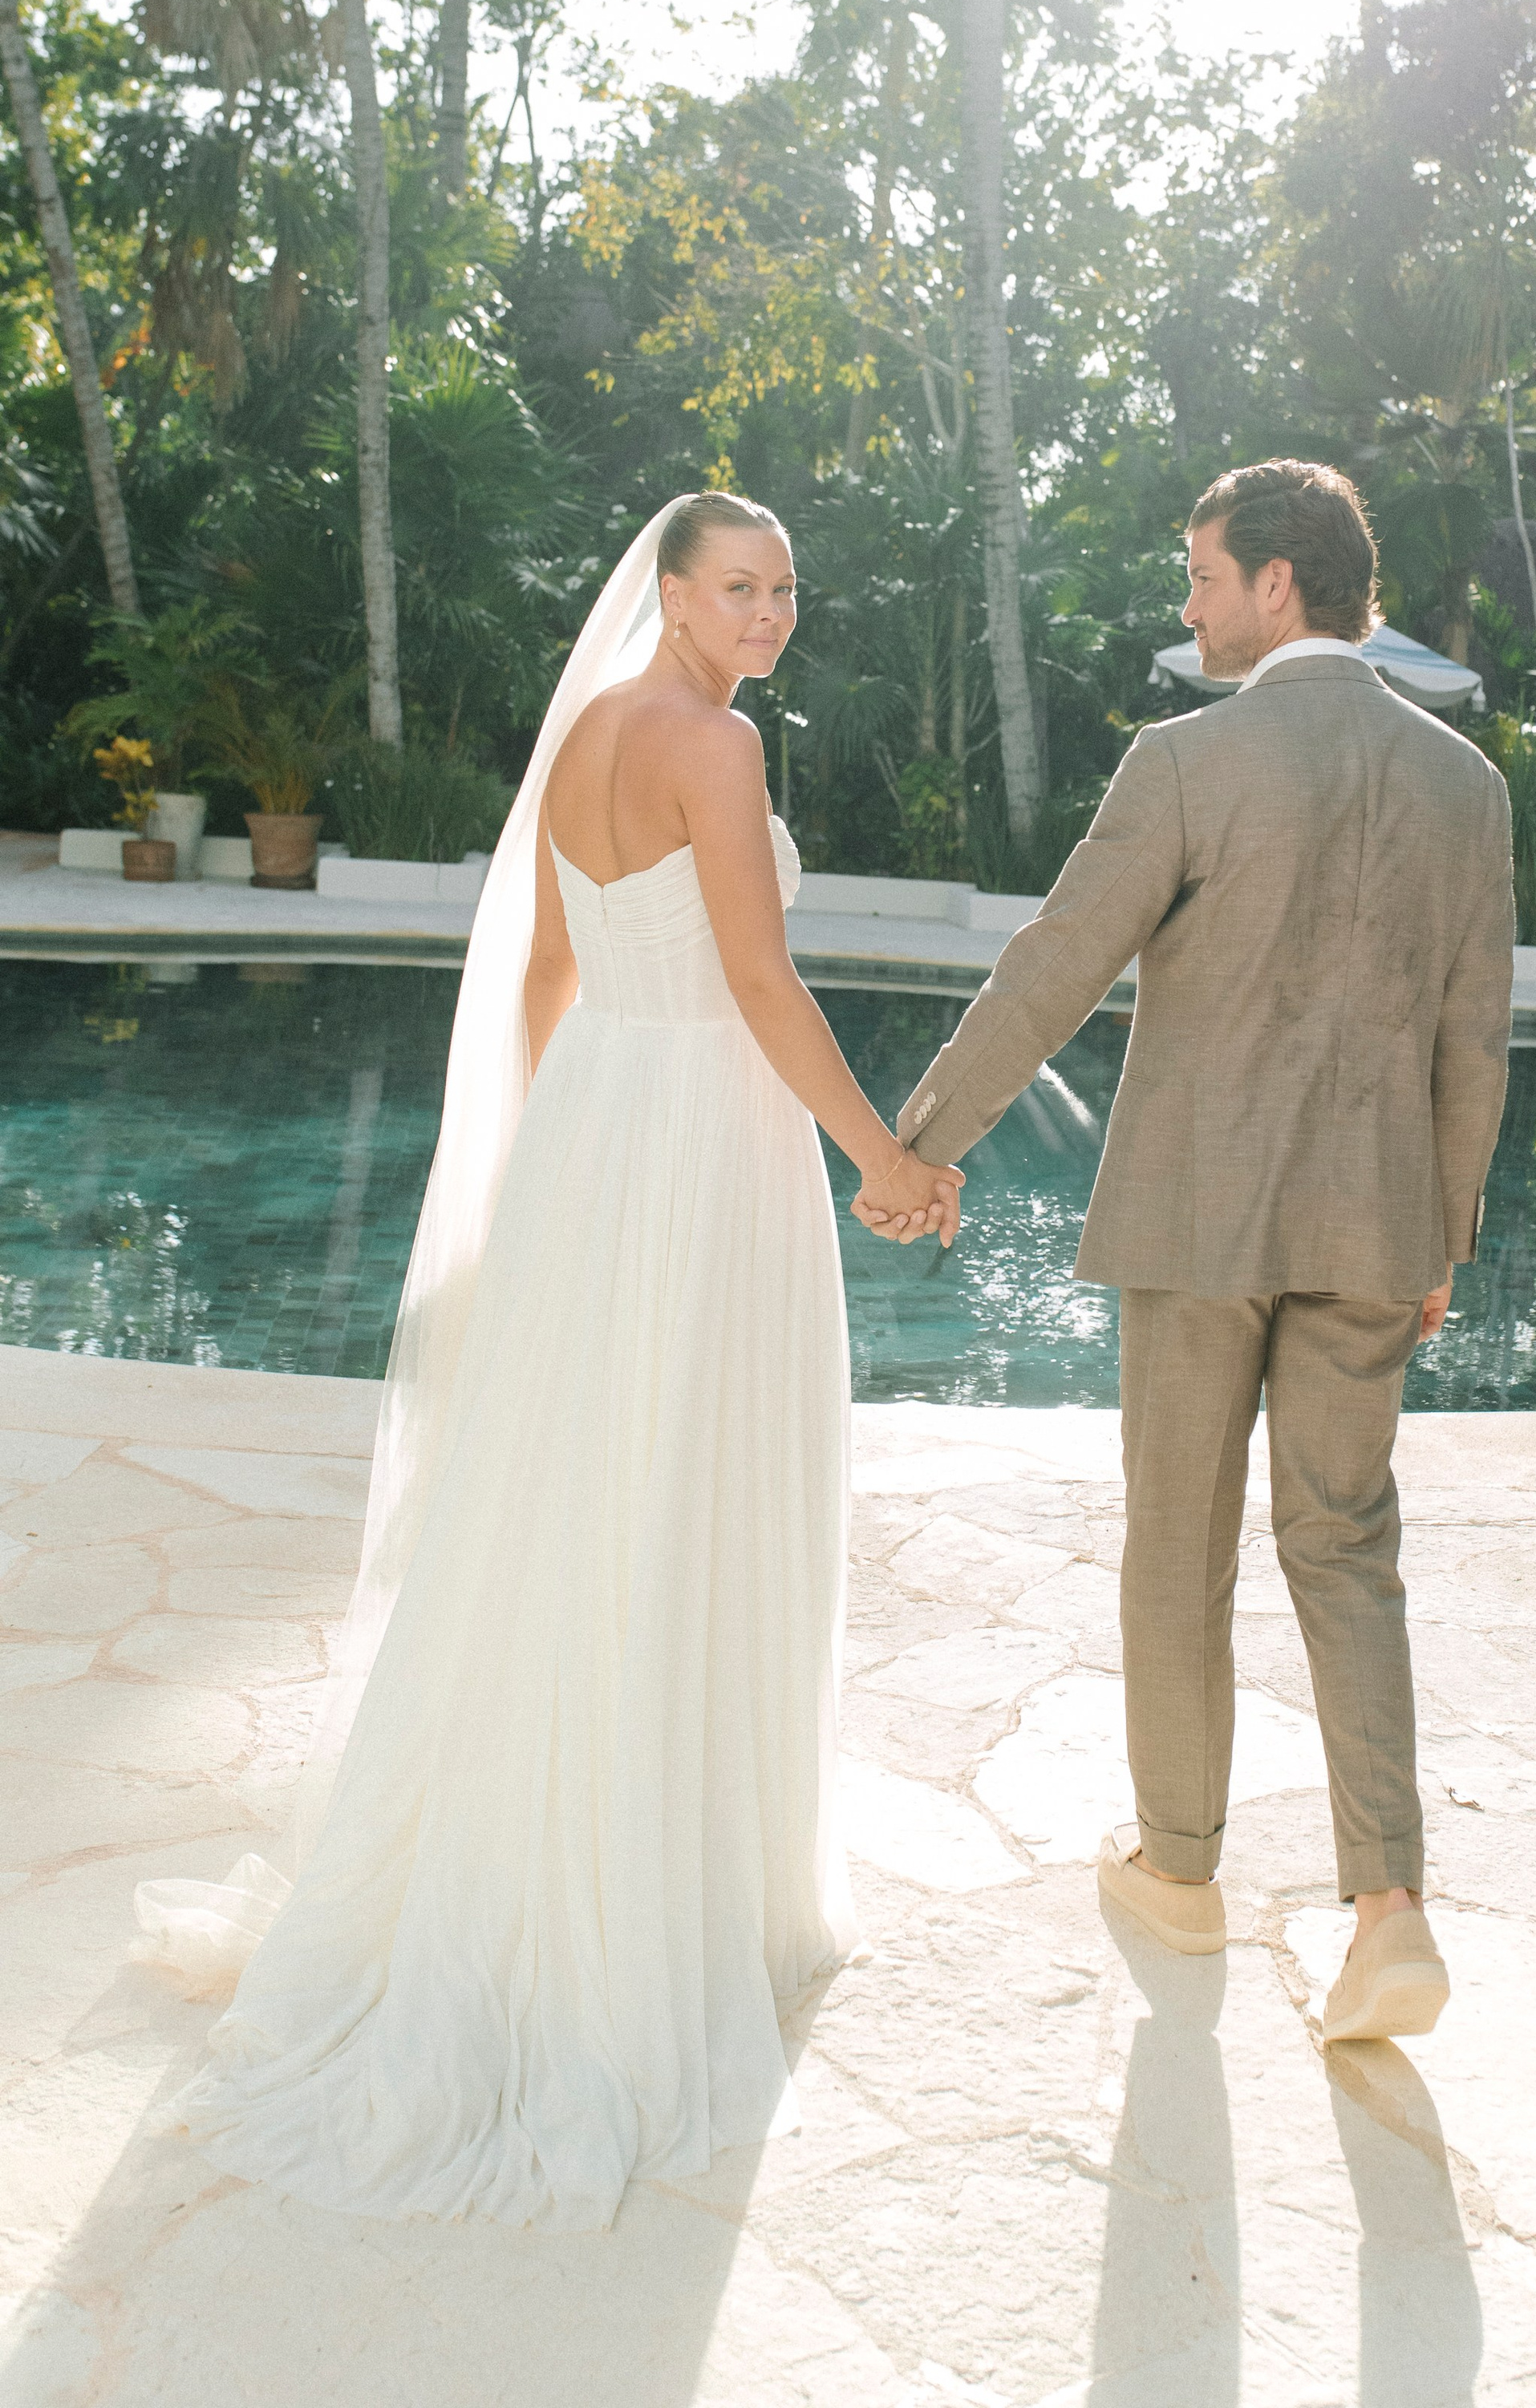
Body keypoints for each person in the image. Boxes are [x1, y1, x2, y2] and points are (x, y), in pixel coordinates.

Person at [136, 492, 959, 2230]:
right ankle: (652, 1902)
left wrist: (525, 1158)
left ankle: (554, 1847)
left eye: (785, 591)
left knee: (578, 1488)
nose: (767, 614)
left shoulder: (591, 727)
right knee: (678, 1485)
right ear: (667, 591)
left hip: (601, 1126)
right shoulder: (713, 755)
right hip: (696, 1132)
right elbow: (755, 978)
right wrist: (880, 1157)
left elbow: (545, 965)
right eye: (738, 586)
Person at [870, 459, 1512, 2044]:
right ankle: (1389, 1911)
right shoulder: (1464, 790)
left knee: (1177, 1546)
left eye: (1204, 575)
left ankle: (1178, 1870)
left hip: (1195, 1220)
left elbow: (1053, 967)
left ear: (1278, 584)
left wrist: (920, 1144)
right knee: (1343, 1545)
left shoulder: (1185, 764)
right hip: (1377, 1224)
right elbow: (1474, 1044)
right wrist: (1445, 1228)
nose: (1188, 602)